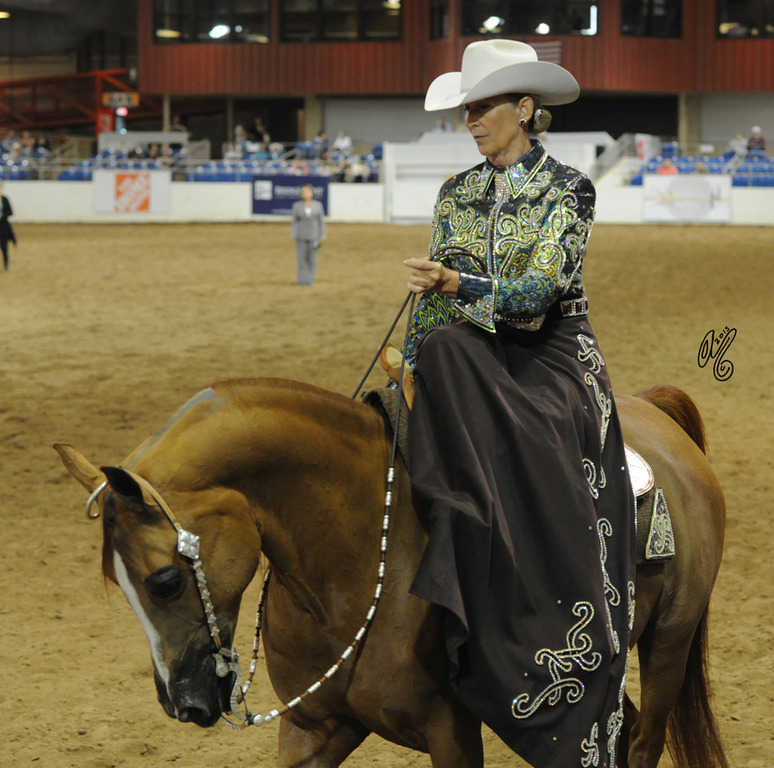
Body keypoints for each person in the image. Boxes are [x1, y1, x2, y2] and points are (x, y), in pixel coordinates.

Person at [401, 39, 635, 768]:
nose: (470, 120)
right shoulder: (456, 195)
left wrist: (453, 289)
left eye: (483, 106)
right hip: (469, 353)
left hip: (551, 356)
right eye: (466, 108)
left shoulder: (569, 189)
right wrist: (411, 364)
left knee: (464, 368)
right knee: (434, 359)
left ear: (525, 109)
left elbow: (534, 303)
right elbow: (435, 320)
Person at [290, 184, 325, 285]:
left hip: (314, 235)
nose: (305, 194)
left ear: (312, 193)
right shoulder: (297, 205)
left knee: (312, 259)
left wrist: (322, 234)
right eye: (303, 192)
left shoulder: (318, 205)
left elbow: (321, 221)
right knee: (301, 259)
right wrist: (294, 234)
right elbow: (295, 221)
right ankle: (301, 280)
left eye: (307, 191)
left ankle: (310, 280)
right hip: (301, 235)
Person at [0, 182, 17, 272]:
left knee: (4, 247)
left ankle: (6, 264)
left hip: (3, 226)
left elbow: (11, 212)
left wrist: (2, 216)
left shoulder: (5, 200)